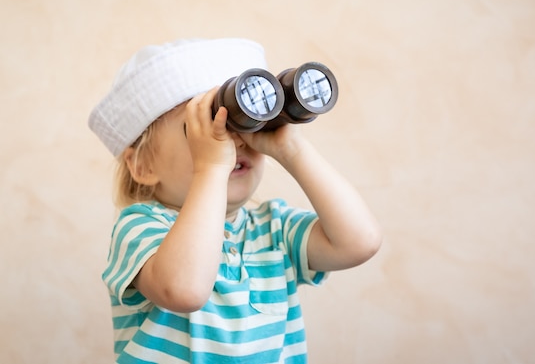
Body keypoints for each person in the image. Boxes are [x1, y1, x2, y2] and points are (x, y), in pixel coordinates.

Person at [88, 38, 382, 363]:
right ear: (143, 165)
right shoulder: (142, 226)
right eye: (200, 131)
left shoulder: (274, 228)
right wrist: (212, 166)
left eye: (243, 124)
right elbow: (184, 289)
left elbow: (360, 242)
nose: (234, 143)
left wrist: (292, 150)